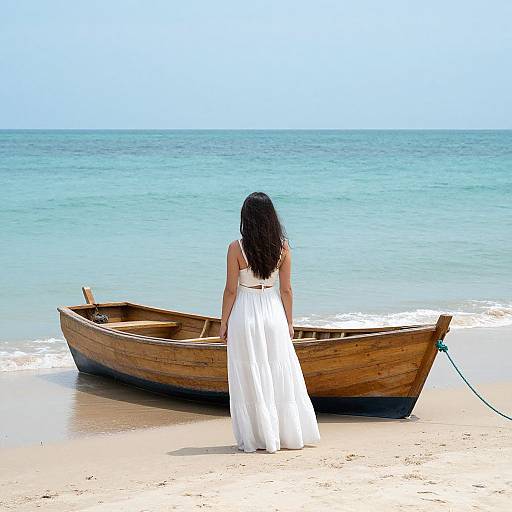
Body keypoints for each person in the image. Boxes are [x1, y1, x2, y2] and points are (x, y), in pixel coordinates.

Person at [220, 192, 321, 453]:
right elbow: (286, 290)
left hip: (245, 312)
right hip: (273, 312)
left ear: (246, 219)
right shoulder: (283, 248)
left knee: (250, 373)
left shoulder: (236, 248)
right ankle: (284, 435)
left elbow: (231, 290)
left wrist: (223, 322)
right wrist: (289, 322)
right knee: (278, 372)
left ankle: (257, 437)